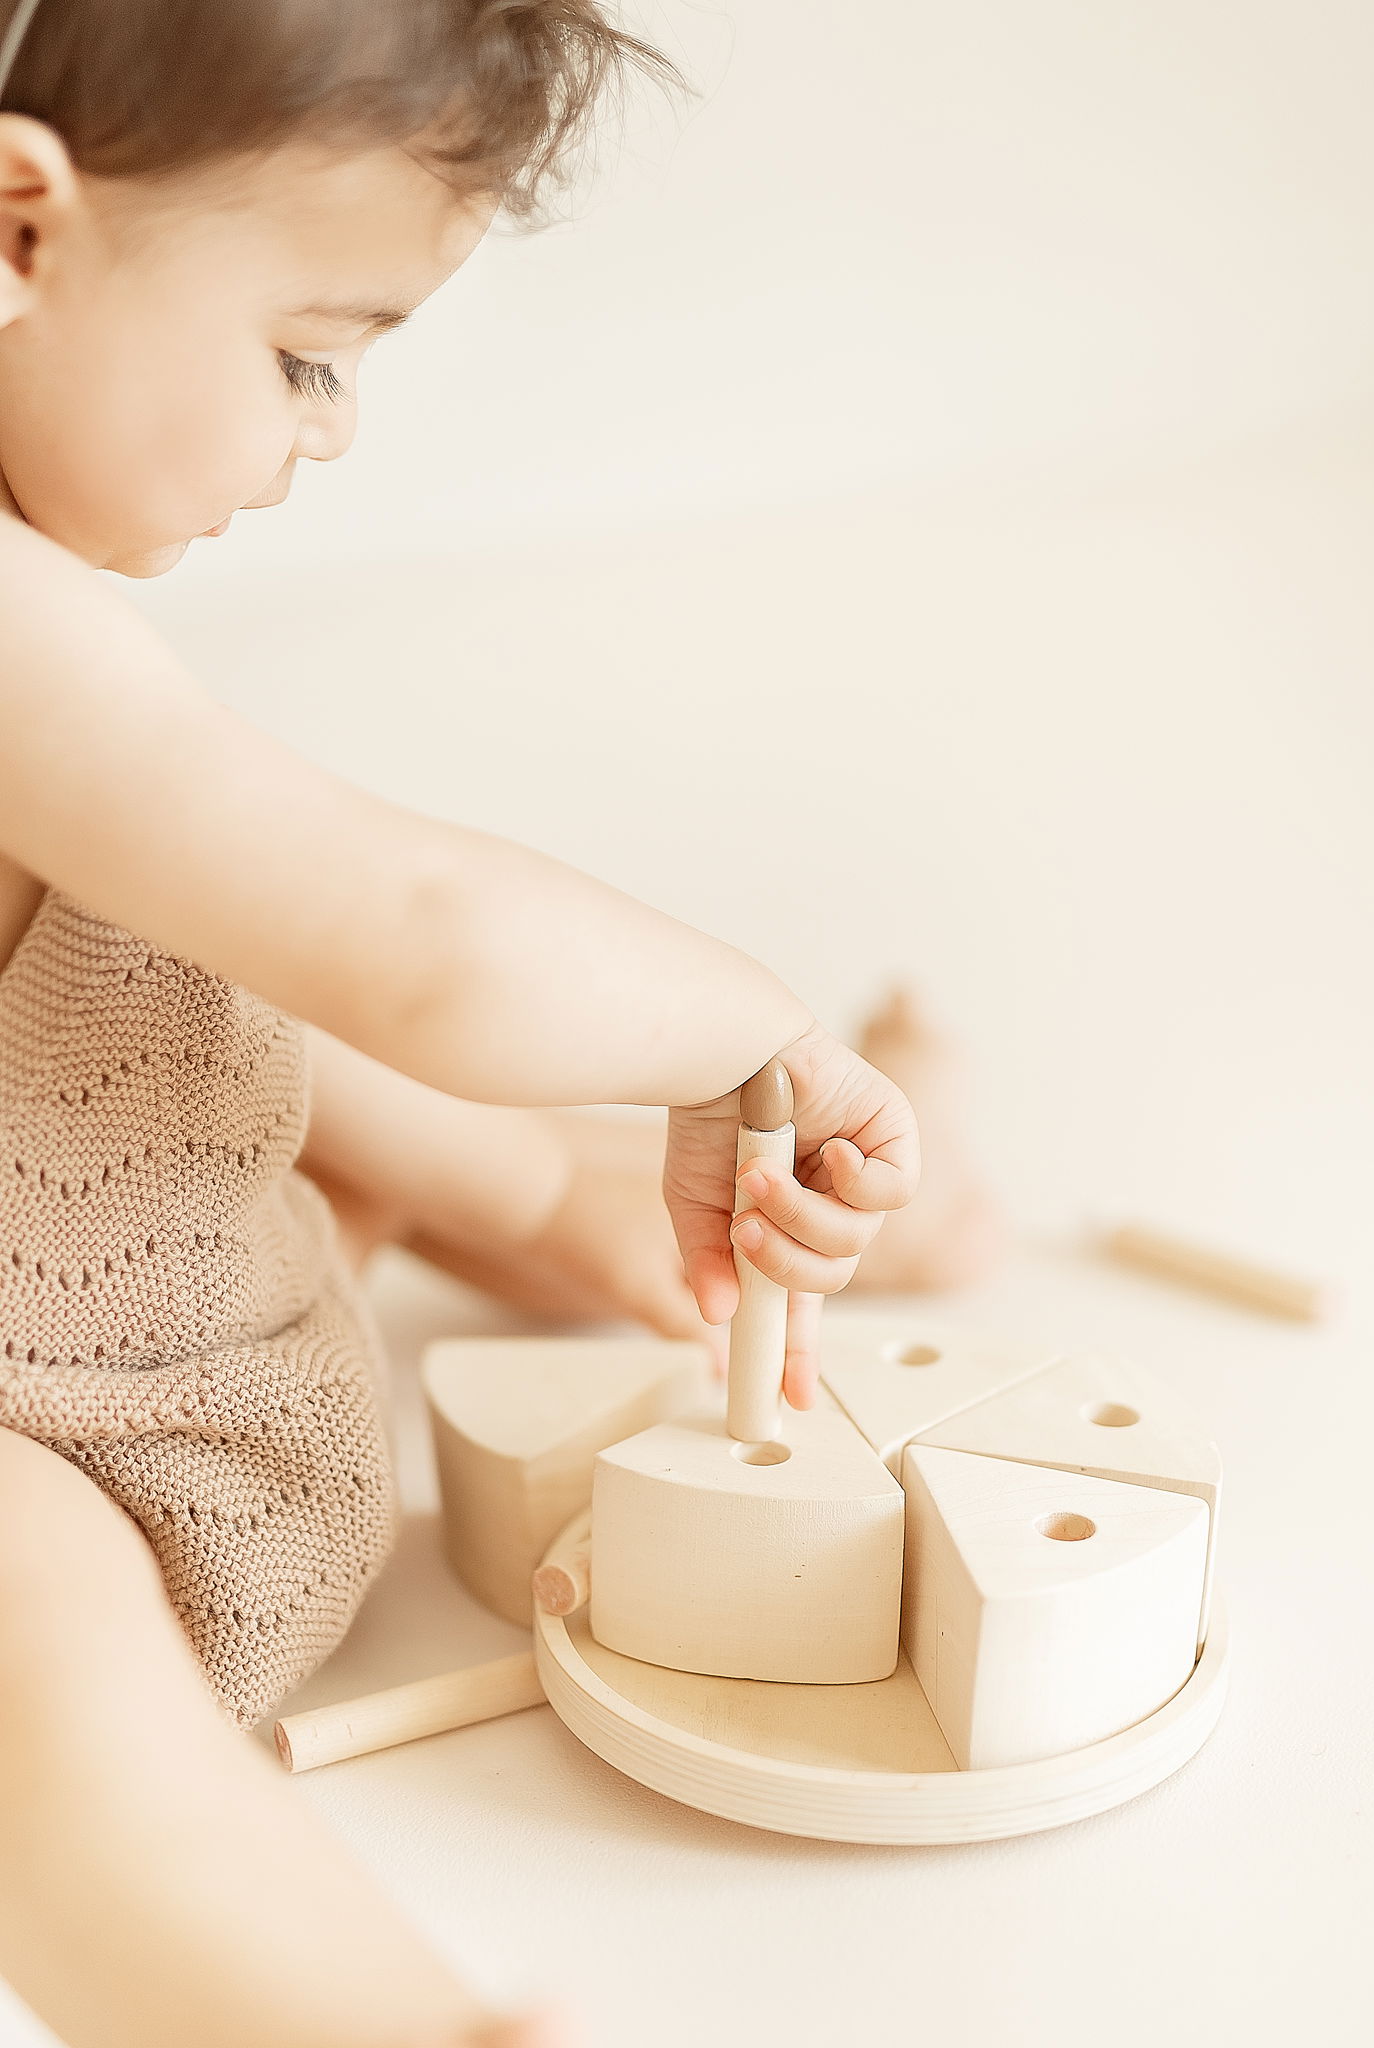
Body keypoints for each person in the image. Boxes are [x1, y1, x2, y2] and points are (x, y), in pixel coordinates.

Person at [0, 5, 995, 2043]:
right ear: (18, 227)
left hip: (97, 1231)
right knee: (38, 1676)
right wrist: (746, 1032)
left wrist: (702, 1107)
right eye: (308, 355)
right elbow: (421, 939)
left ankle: (700, 1202)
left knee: (246, 1023)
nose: (334, 430)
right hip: (51, 1449)